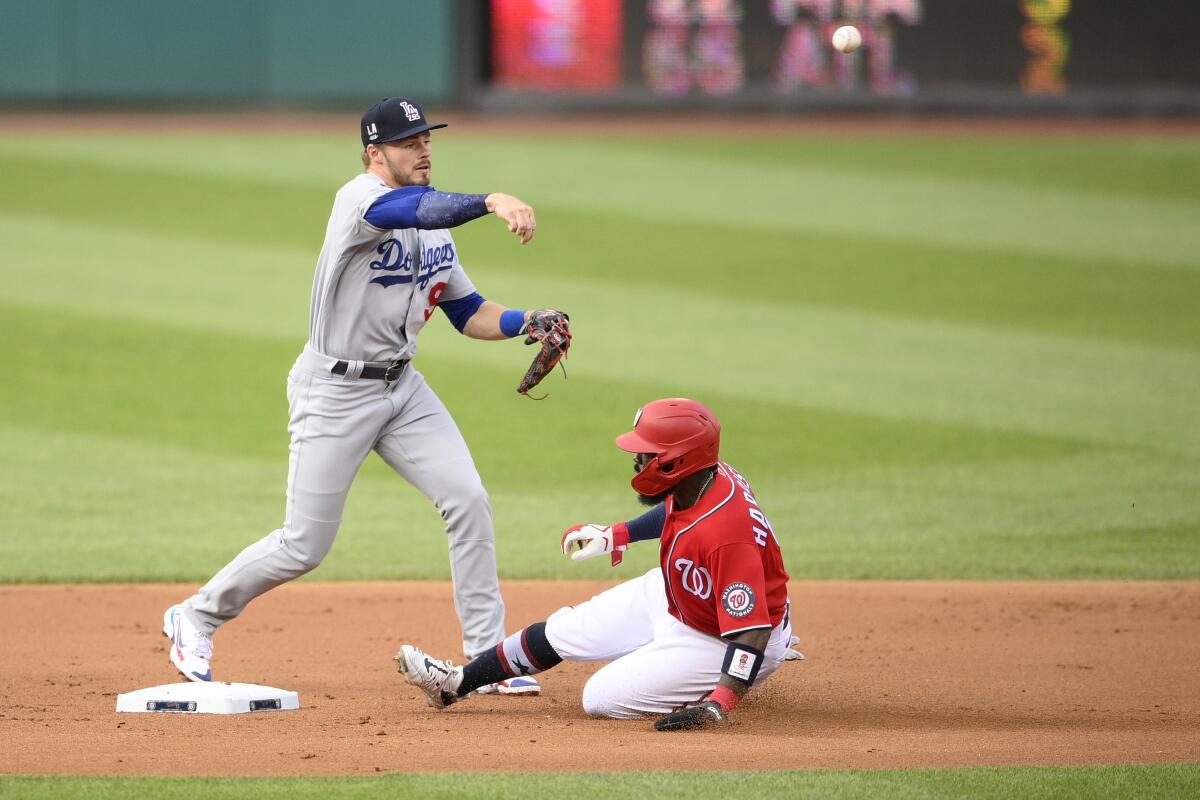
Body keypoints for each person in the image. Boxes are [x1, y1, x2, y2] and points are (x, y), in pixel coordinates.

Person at [162, 96, 563, 697]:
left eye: (427, 139)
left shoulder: (435, 237)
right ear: (375, 154)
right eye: (409, 143)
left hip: (402, 388)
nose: (424, 149)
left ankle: (486, 659)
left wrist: (526, 321)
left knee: (468, 500)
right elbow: (413, 207)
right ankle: (196, 615)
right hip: (334, 391)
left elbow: (468, 312)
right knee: (305, 544)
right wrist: (492, 200)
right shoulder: (360, 200)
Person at [395, 398, 802, 730]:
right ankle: (454, 684)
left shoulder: (726, 537)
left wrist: (720, 704)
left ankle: (696, 676)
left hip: (727, 636)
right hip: (686, 594)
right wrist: (617, 535)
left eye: (646, 454)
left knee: (600, 698)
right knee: (562, 630)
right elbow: (675, 512)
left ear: (678, 461)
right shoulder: (703, 478)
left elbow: (751, 630)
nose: (637, 461)